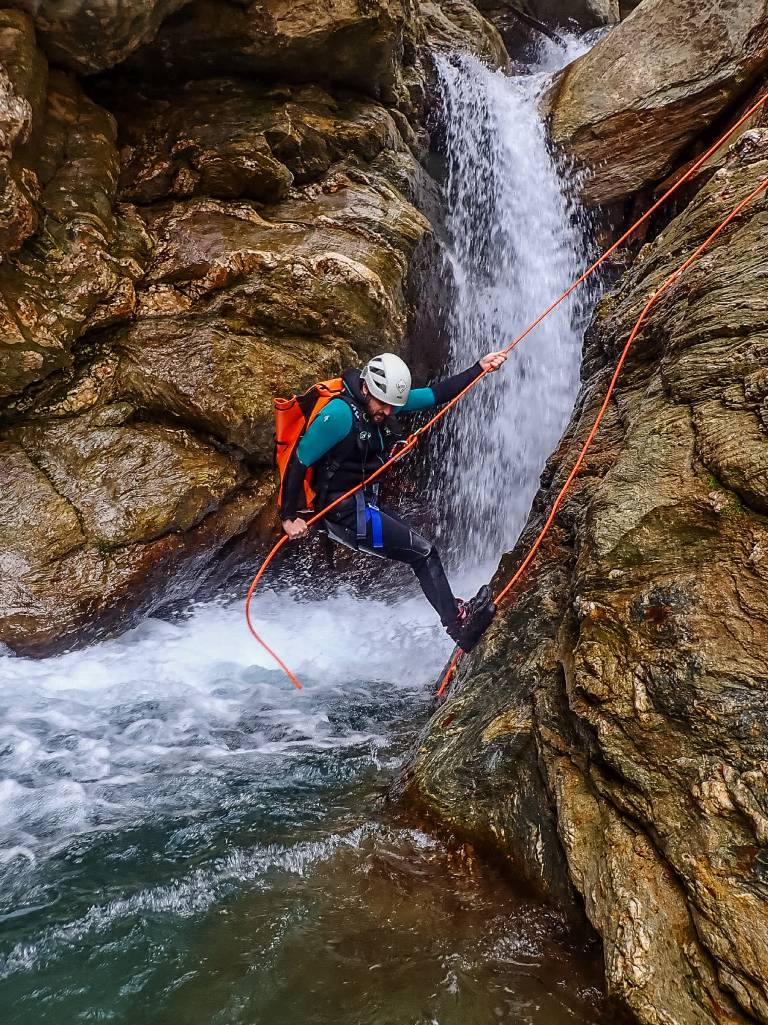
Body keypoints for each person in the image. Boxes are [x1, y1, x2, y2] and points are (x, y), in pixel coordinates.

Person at [280, 350, 507, 651]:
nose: (387, 411)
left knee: (420, 549)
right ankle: (458, 627)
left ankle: (455, 611)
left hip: (363, 503)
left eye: (392, 406)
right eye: (382, 404)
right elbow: (299, 461)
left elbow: (434, 394)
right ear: (365, 388)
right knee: (423, 553)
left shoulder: (386, 401)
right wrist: (287, 517)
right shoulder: (337, 415)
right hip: (342, 511)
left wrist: (479, 368)